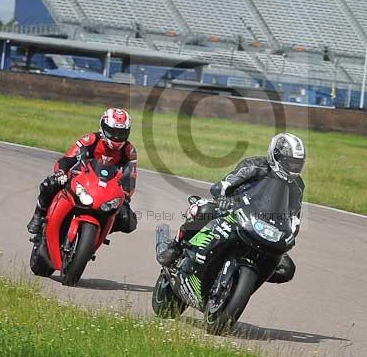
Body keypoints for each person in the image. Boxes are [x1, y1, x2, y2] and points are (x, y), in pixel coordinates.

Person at [158, 132, 305, 284]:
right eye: (289, 162)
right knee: (204, 211)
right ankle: (175, 247)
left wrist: (290, 234)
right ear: (276, 156)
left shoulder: (297, 186)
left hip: (265, 228)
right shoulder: (254, 165)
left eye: (298, 163)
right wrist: (222, 198)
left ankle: (242, 280)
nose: (293, 167)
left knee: (287, 269)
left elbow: (294, 216)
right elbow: (226, 183)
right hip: (233, 211)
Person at [26, 108, 138, 236]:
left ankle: (100, 231)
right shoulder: (90, 139)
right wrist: (61, 172)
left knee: (128, 221)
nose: (117, 137)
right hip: (79, 180)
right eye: (112, 132)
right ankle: (38, 214)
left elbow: (131, 177)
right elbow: (68, 158)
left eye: (121, 133)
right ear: (103, 128)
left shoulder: (129, 151)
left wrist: (125, 195)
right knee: (50, 184)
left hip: (106, 190)